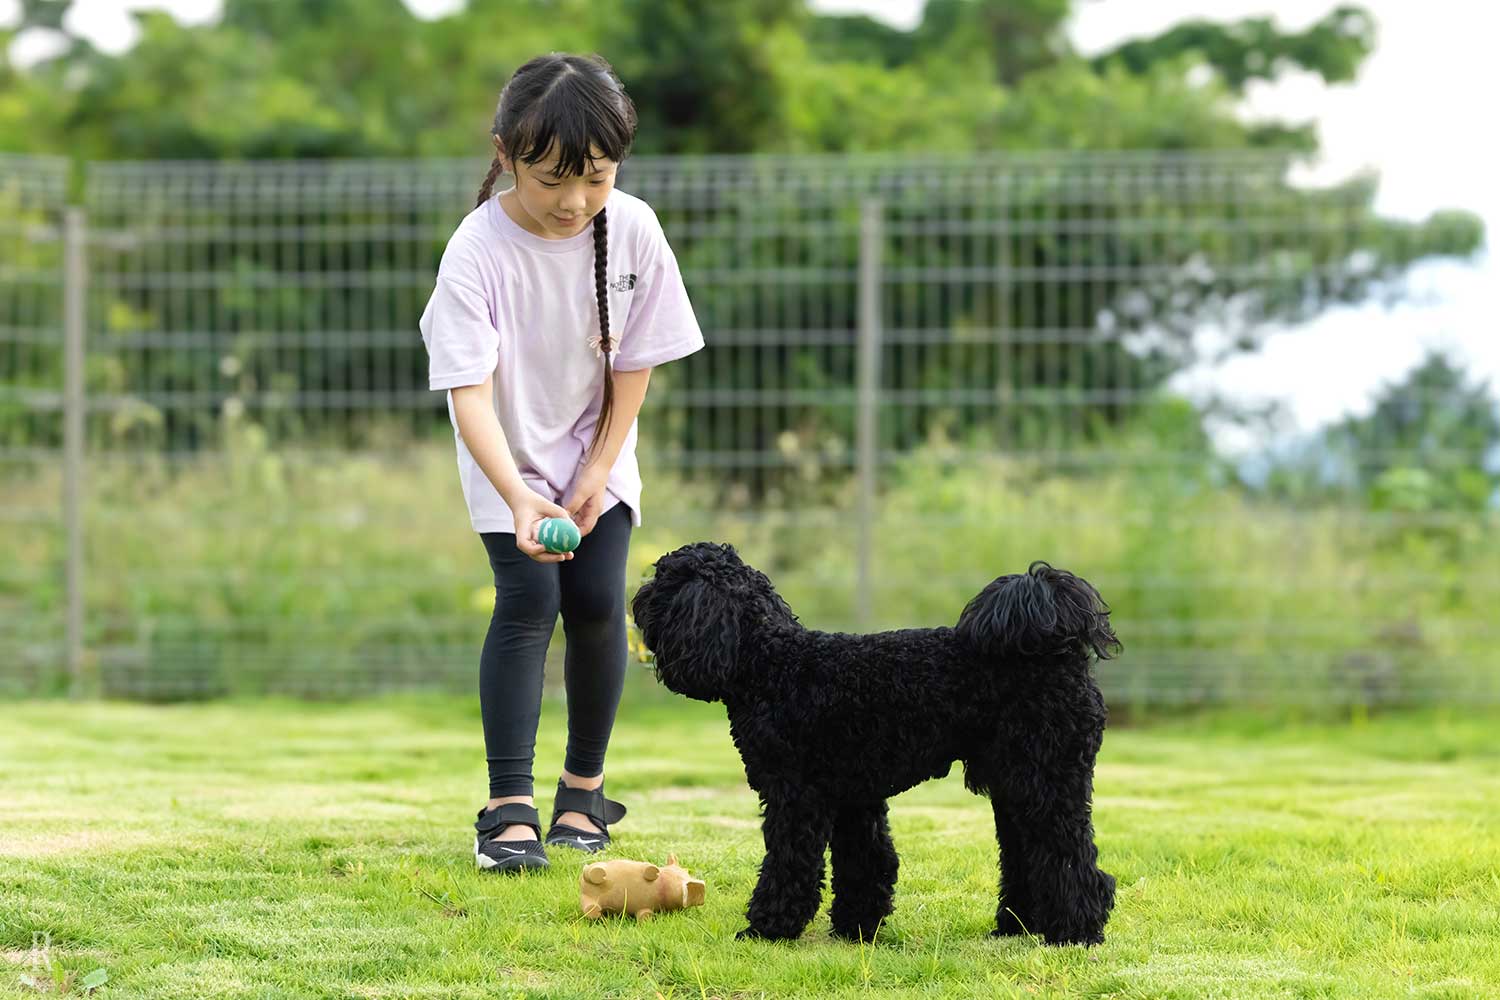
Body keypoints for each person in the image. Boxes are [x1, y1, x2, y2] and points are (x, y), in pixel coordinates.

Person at [418, 52, 704, 873]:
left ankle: (584, 793)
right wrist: (518, 495)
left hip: (596, 451)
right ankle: (507, 808)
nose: (575, 201)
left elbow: (635, 364)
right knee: (528, 600)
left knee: (596, 601)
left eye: (597, 178)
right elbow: (469, 395)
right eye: (551, 180)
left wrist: (596, 471)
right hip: (503, 458)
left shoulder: (635, 229)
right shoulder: (476, 250)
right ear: (505, 153)